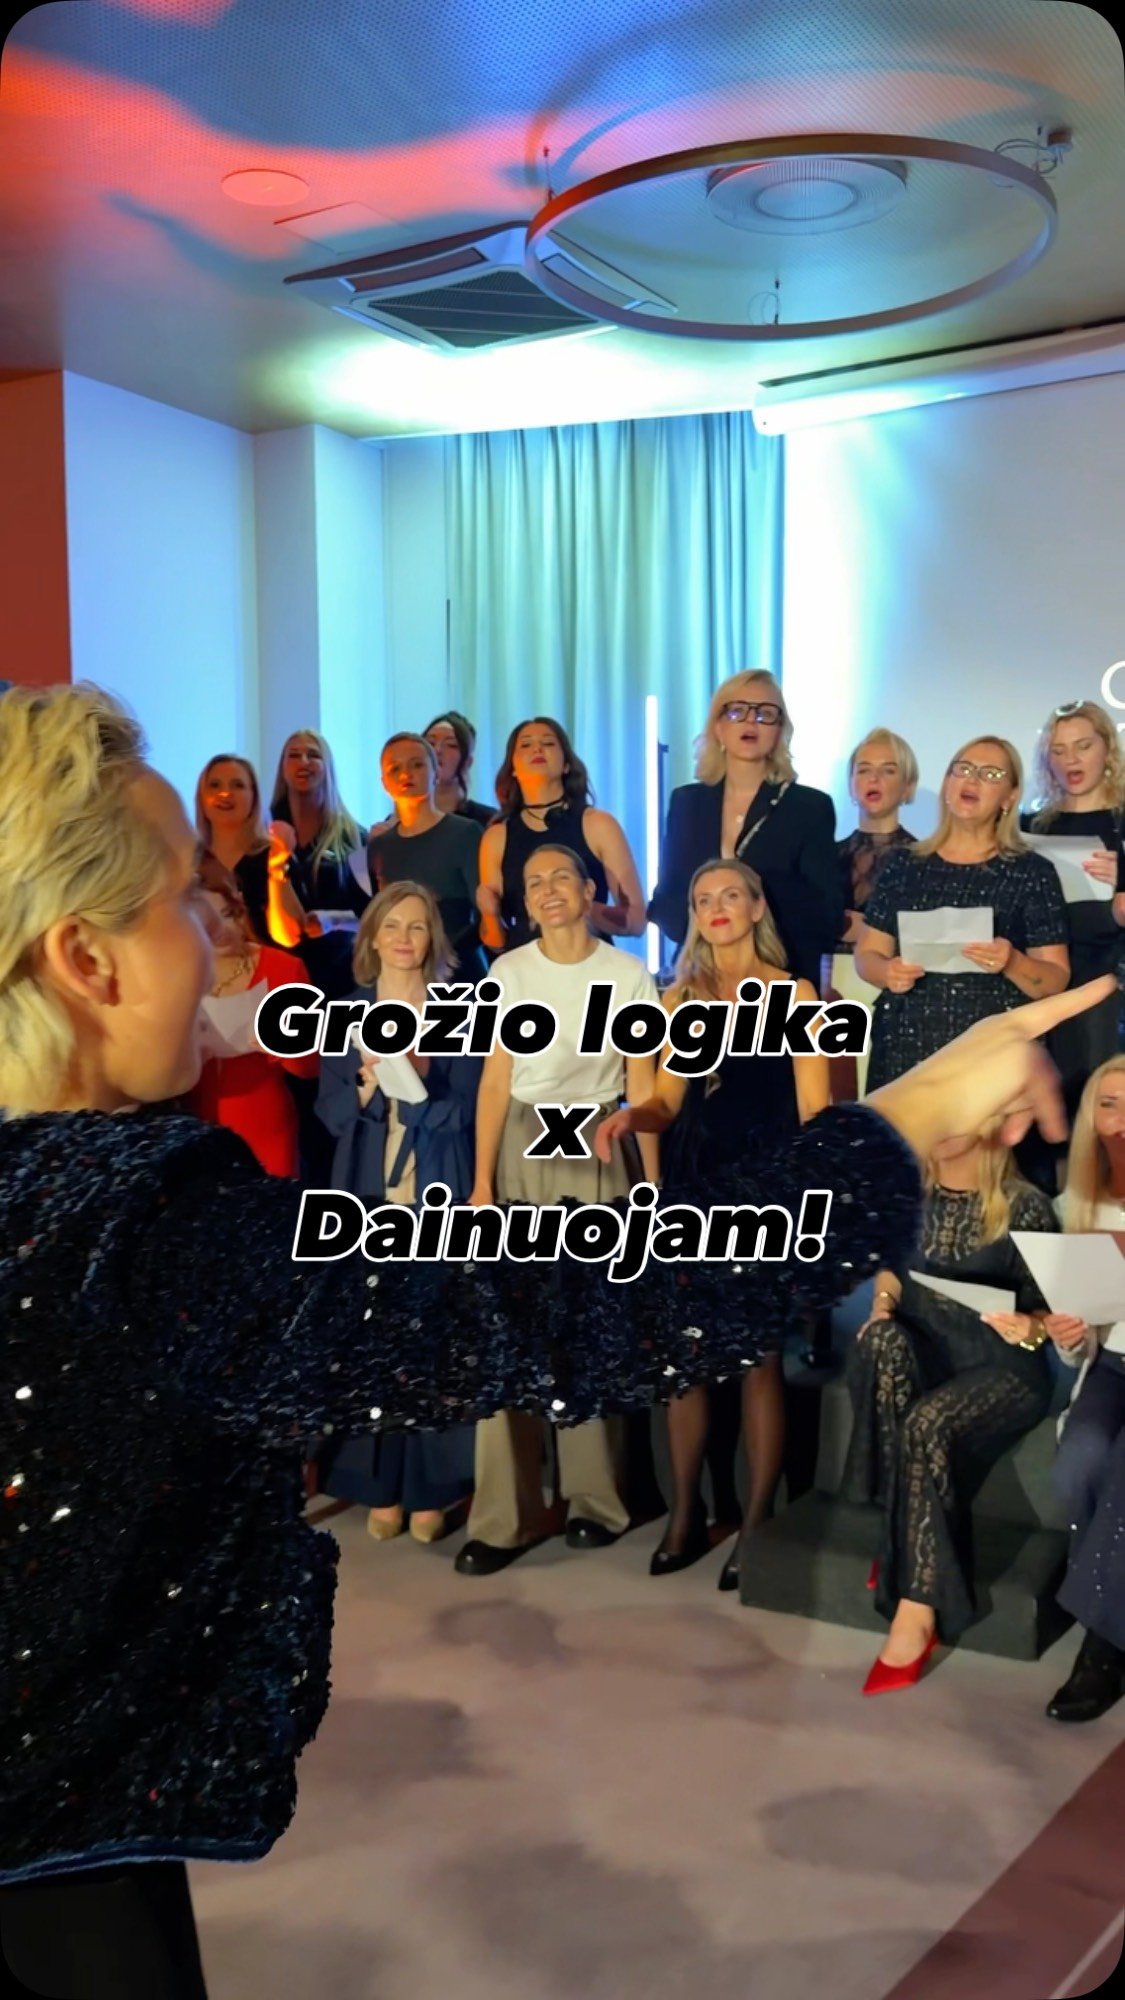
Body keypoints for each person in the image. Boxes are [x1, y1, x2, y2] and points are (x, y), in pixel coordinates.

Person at [0, 682, 1112, 1993]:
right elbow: (574, 1312)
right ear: (86, 960)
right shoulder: (127, 1228)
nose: (216, 930)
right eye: (189, 898)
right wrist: (903, 1122)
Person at [597, 859, 829, 1586]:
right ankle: (685, 1515)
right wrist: (629, 1117)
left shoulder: (796, 995)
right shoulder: (678, 999)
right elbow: (666, 1103)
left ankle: (754, 1526)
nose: (716, 907)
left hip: (764, 1192)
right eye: (703, 899)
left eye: (731, 895)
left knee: (757, 1360)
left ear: (757, 907)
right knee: (686, 1360)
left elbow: (815, 1112)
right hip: (692, 1189)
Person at [457, 842, 661, 1574]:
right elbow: (494, 1080)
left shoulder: (627, 975)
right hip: (520, 1140)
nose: (547, 889)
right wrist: (482, 1184)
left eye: (560, 878)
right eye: (533, 881)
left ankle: (593, 1501)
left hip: (596, 1142)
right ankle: (503, 1515)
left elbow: (643, 1086)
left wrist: (650, 1189)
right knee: (509, 1325)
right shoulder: (508, 973)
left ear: (587, 890)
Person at [844, 1127, 1057, 1692]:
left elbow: (1052, 1315)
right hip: (929, 1349)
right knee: (881, 1343)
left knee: (926, 1422)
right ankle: (901, 1533)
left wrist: (1030, 1326)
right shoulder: (907, 1193)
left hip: (1003, 1368)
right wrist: (882, 1307)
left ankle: (916, 1615)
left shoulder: (1026, 1206)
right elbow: (892, 1270)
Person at [313, 882, 478, 1544]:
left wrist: (418, 1084)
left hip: (436, 1182)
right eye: (393, 926)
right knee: (373, 1335)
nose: (404, 938)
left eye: (417, 926)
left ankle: (432, 1488)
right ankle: (380, 1484)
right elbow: (328, 1112)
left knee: (434, 1334)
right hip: (365, 1188)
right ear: (373, 938)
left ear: (432, 938)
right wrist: (364, 1092)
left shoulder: (459, 1009)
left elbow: (469, 1109)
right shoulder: (346, 1013)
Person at [857, 736, 1070, 1094]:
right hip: (905, 1048)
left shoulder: (1031, 872)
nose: (972, 780)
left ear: (1010, 797)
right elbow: (867, 955)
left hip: (992, 1055)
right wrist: (887, 971)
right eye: (964, 769)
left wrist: (1011, 962)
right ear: (947, 783)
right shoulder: (903, 865)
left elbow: (1054, 980)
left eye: (990, 774)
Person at [649, 670, 844, 987]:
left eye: (765, 713)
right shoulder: (687, 802)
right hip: (700, 977)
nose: (751, 721)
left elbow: (825, 913)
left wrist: (748, 906)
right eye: (737, 711)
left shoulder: (810, 807)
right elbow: (667, 900)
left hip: (782, 975)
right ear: (718, 727)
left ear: (780, 731)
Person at [1034, 1056, 1125, 1721]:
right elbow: (1079, 1346)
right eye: (1109, 1104)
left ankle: (1101, 1647)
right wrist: (1067, 1333)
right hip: (1113, 1364)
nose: (1120, 1121)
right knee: (1080, 1460)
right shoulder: (1077, 1201)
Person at [1021, 700, 1125, 1120]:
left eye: (1083, 746)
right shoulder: (1030, 826)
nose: (1071, 760)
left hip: (1109, 987)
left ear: (1107, 748)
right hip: (1043, 983)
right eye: (1059, 750)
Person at [188, 854, 319, 1179]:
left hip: (266, 1128)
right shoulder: (177, 976)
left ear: (239, 908)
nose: (219, 931)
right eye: (205, 921)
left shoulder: (283, 968)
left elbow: (310, 1067)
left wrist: (280, 1044)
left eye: (226, 915)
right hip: (192, 1132)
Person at [477, 715, 646, 952]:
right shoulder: (497, 837)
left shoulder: (598, 825)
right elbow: (495, 941)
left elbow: (636, 921)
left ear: (566, 764)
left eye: (548, 743)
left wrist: (579, 906)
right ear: (512, 768)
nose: (537, 748)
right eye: (526, 744)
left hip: (589, 960)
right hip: (525, 964)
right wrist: (490, 914)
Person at [827, 729, 918, 1099]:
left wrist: (861, 927)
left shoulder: (925, 861)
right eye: (864, 769)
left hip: (897, 994)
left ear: (908, 786)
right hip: (831, 995)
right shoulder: (824, 856)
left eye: (888, 770)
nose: (874, 779)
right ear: (851, 784)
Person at [367, 733, 487, 980]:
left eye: (417, 765)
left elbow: (484, 916)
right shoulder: (380, 847)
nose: (405, 774)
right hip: (402, 975)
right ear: (384, 782)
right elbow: (374, 917)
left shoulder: (466, 833)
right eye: (395, 769)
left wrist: (440, 954)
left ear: (436, 773)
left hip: (457, 971)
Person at [268, 728, 370, 1002]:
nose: (303, 762)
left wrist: (332, 920)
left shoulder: (355, 839)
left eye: (313, 755)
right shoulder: (265, 835)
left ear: (327, 767)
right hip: (280, 984)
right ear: (282, 768)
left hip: (343, 984)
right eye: (294, 755)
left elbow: (373, 916)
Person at [194, 753, 307, 951]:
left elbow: (290, 936)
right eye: (215, 785)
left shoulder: (274, 856)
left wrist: (277, 869)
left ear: (254, 797)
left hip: (263, 968)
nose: (225, 794)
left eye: (237, 785)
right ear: (201, 798)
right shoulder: (189, 861)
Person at [423, 710, 496, 828]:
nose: (437, 750)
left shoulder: (490, 822)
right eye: (430, 743)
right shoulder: (401, 823)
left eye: (451, 745)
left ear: (468, 762)